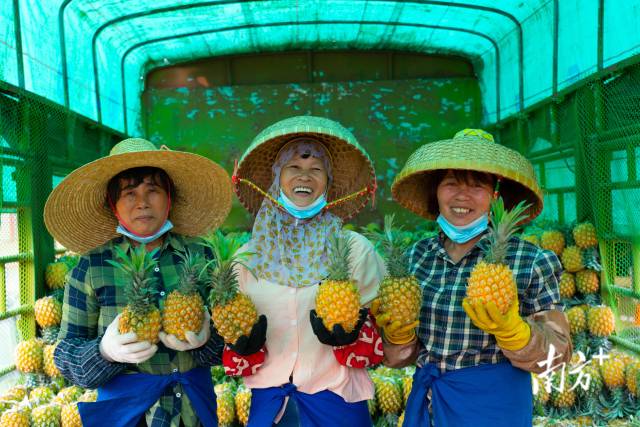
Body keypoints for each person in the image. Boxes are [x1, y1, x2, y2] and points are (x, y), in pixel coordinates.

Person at [381, 129, 572, 426]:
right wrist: (398, 340)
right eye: (451, 183)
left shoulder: (532, 261)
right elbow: (399, 357)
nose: (461, 195)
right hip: (429, 398)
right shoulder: (415, 258)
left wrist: (516, 333)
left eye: (477, 185)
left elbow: (558, 356)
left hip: (494, 405)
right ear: (436, 192)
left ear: (496, 195)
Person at [44, 138, 232, 427]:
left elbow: (232, 343)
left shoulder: (201, 255)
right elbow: (66, 355)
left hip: (194, 410)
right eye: (129, 193)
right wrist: (105, 351)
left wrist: (207, 341)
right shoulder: (91, 266)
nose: (142, 202)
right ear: (113, 204)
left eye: (153, 190)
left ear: (169, 197)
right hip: (126, 416)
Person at [224, 116, 385, 426]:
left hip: (338, 401)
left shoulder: (355, 249)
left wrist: (357, 334)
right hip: (269, 407)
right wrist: (240, 346)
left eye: (316, 170)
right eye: (294, 168)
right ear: (276, 177)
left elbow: (387, 327)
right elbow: (229, 329)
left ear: (329, 182)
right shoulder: (246, 258)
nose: (305, 177)